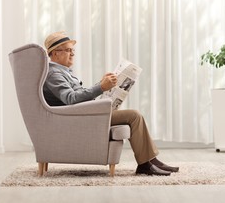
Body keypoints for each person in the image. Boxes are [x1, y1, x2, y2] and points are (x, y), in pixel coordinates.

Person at [43, 31, 179, 176]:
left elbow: (78, 95)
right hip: (77, 119)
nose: (72, 54)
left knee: (133, 115)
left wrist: (101, 84)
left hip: (82, 114)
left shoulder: (63, 72)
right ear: (55, 53)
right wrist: (101, 87)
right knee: (133, 115)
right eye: (68, 50)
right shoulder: (54, 74)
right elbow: (70, 98)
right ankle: (146, 164)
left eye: (72, 50)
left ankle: (151, 161)